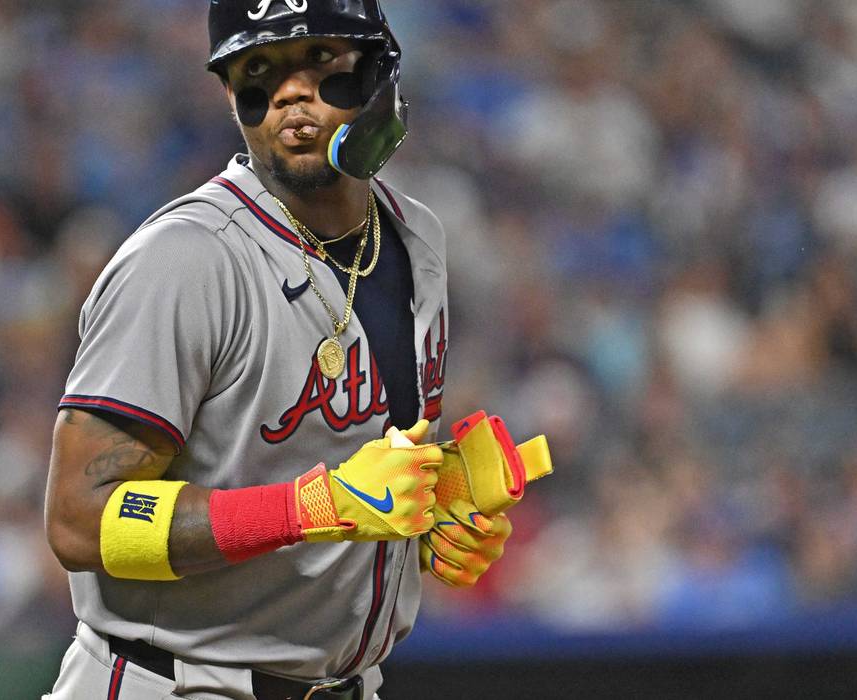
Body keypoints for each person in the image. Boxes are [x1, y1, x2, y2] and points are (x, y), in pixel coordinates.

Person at [43, 2, 513, 698]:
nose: (291, 91)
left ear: (381, 73)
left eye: (319, 60)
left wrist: (435, 507)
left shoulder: (417, 239)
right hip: (172, 683)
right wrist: (309, 510)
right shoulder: (186, 259)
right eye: (259, 70)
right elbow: (79, 522)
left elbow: (347, 477)